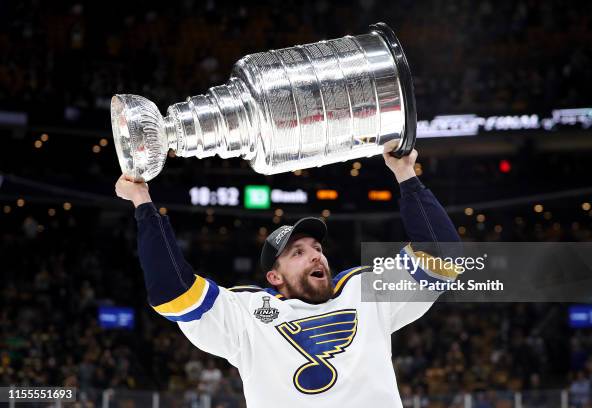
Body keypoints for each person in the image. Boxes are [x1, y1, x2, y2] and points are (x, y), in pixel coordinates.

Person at [115, 146, 461, 408]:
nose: (315, 254)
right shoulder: (247, 313)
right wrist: (142, 201)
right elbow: (173, 290)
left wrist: (405, 173)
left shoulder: (364, 290)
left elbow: (443, 255)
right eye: (298, 253)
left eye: (316, 247)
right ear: (274, 277)